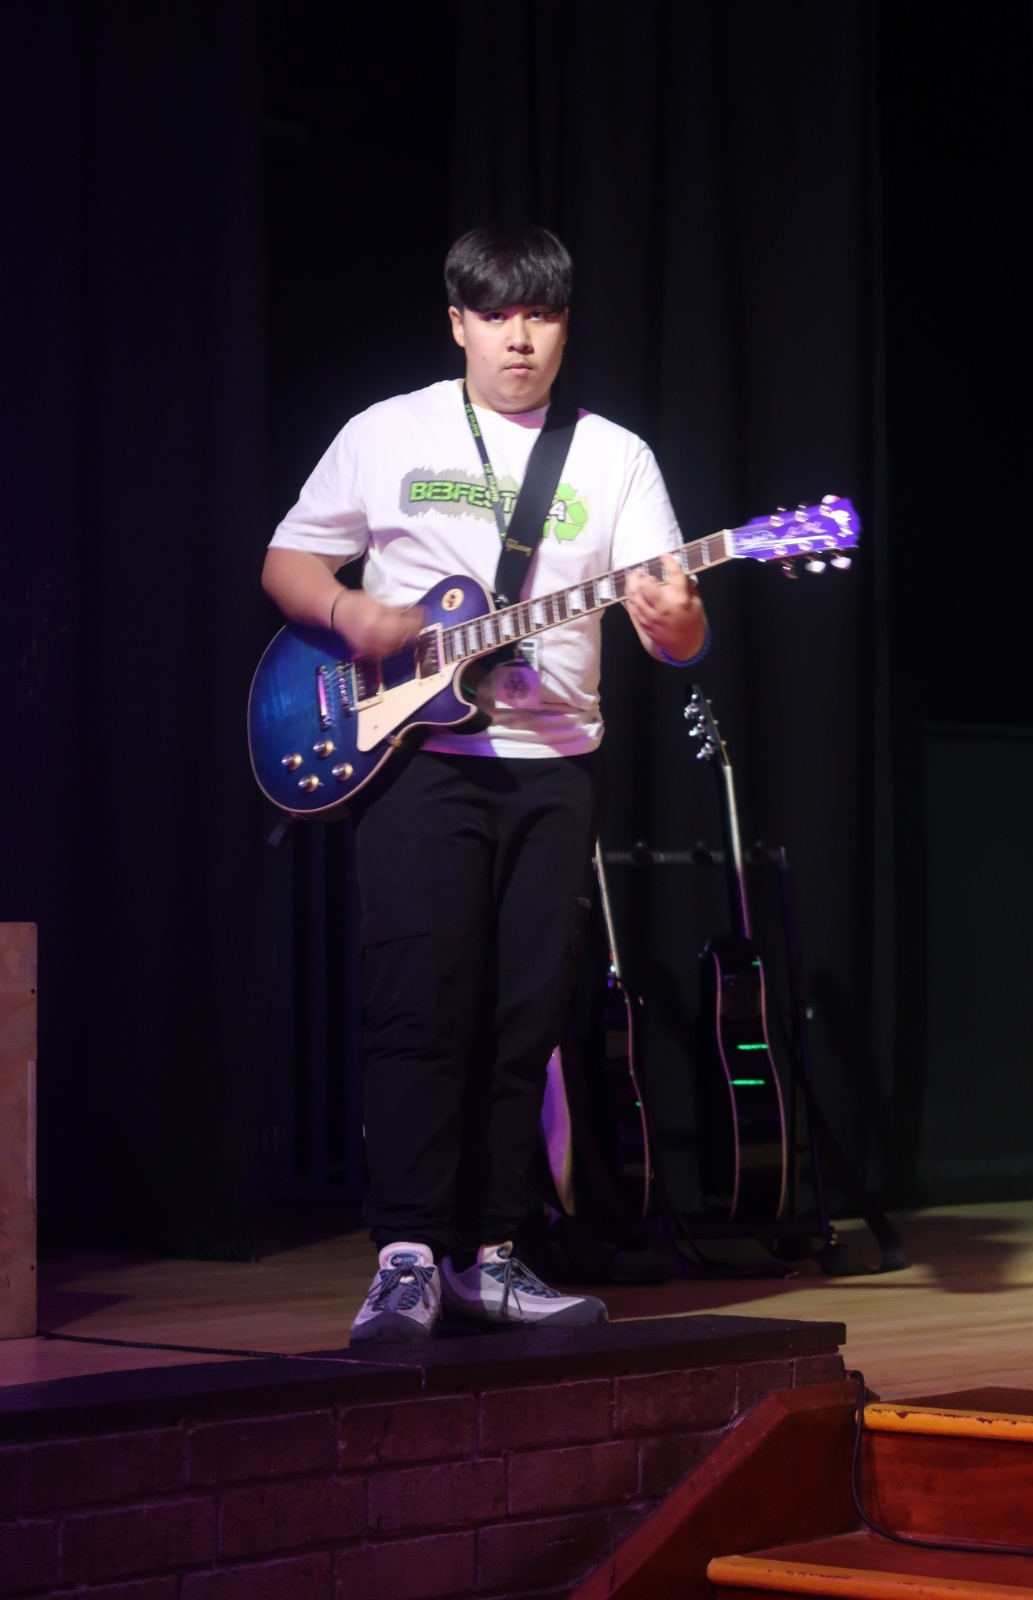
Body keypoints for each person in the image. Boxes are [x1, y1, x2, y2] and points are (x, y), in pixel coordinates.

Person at [261, 222, 708, 1341]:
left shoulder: (613, 456)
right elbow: (288, 560)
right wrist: (351, 611)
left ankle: (491, 1252)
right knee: (419, 1006)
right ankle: (408, 1253)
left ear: (565, 326)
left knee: (525, 1018)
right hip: (418, 761)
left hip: (554, 766)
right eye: (497, 315)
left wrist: (678, 617)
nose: (519, 339)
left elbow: (675, 638)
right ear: (456, 321)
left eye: (541, 316)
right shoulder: (388, 431)